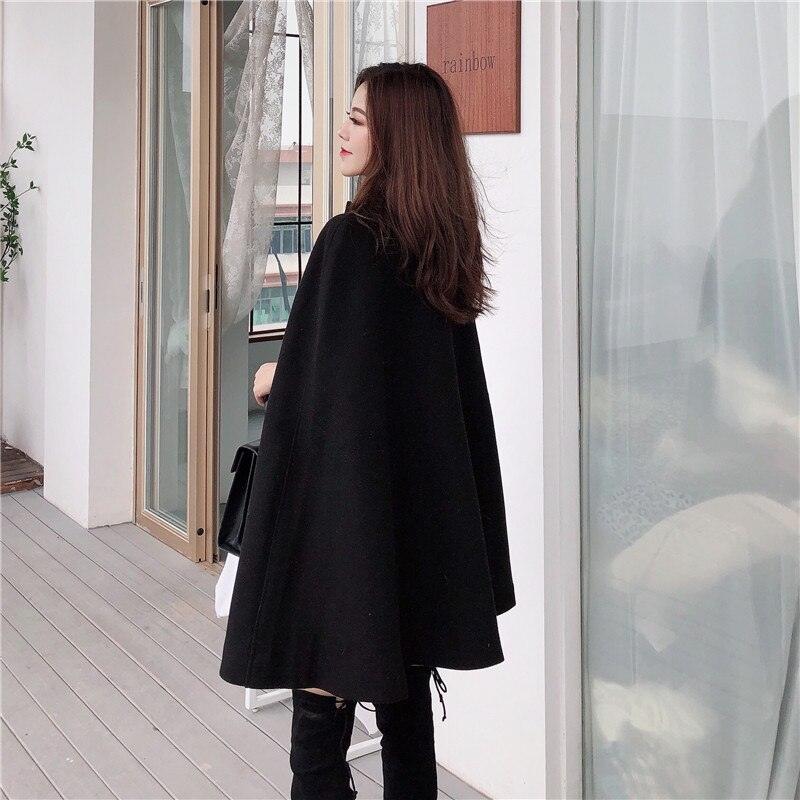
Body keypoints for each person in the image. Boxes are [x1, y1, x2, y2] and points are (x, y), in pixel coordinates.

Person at [219, 61, 516, 800]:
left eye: (357, 119)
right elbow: (413, 395)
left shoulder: (350, 241)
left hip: (347, 524)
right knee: (406, 701)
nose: (342, 131)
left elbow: (330, 395)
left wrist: (275, 377)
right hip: (416, 524)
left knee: (322, 710)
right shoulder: (439, 246)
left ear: (398, 135)